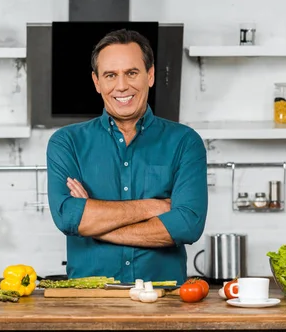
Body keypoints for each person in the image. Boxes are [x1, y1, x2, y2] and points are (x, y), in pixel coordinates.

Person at [46, 29, 207, 284]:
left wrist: (95, 225)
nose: (122, 86)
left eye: (131, 73)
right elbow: (68, 217)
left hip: (164, 300)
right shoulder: (67, 143)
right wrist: (155, 206)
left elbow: (187, 225)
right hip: (89, 301)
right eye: (110, 75)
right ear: (97, 82)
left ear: (150, 75)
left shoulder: (185, 142)